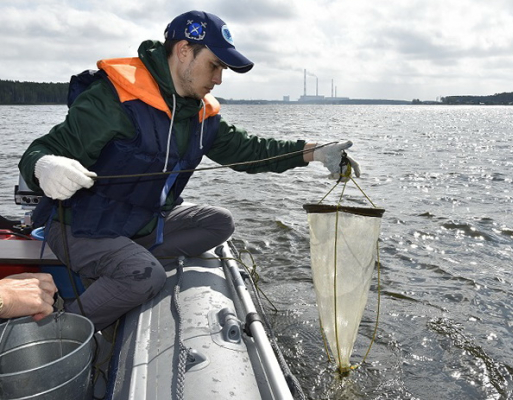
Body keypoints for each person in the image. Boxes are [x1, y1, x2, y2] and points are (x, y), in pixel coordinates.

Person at [18, 10, 360, 331]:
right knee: (146, 275)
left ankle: (123, 265)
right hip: (79, 228)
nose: (219, 79)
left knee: (219, 222)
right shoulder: (113, 101)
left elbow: (251, 151)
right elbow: (40, 152)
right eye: (214, 66)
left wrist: (314, 152)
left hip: (141, 224)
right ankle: (59, 328)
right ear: (184, 51)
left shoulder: (200, 116)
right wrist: (45, 166)